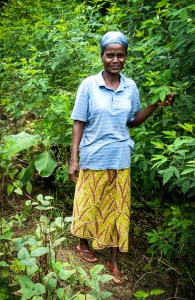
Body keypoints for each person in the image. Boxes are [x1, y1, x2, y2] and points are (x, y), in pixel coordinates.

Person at [68, 31, 175, 285]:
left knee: (118, 209)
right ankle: (83, 244)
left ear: (126, 57)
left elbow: (132, 120)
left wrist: (154, 106)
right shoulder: (89, 85)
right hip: (93, 154)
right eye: (110, 55)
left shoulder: (131, 87)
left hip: (120, 156)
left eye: (120, 55)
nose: (115, 60)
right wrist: (74, 158)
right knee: (89, 202)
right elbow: (78, 122)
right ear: (102, 56)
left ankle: (113, 261)